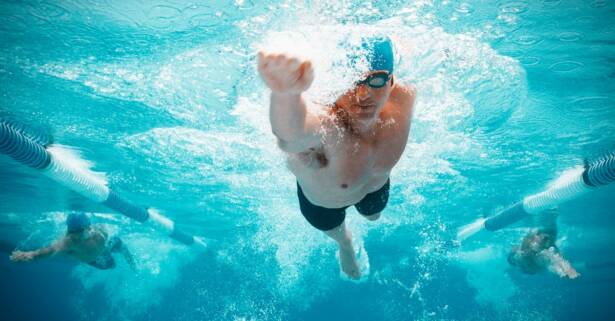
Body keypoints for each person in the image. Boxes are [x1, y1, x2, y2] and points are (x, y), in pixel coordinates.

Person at [258, 36, 416, 279]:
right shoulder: (327, 122)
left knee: (373, 216)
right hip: (323, 205)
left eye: (375, 80)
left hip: (376, 186)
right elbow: (290, 136)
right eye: (351, 80)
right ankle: (346, 245)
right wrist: (286, 94)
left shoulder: (405, 98)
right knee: (339, 233)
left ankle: (365, 216)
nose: (363, 94)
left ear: (392, 81)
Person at [10, 213, 136, 270]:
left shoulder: (100, 230)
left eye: (79, 233)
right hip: (94, 259)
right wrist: (31, 255)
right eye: (72, 233)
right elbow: (51, 250)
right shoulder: (69, 242)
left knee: (123, 249)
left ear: (88, 228)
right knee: (112, 266)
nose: (76, 237)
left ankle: (134, 266)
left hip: (105, 249)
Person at [507, 209, 579, 279]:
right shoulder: (543, 251)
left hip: (542, 231)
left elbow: (529, 238)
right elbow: (554, 258)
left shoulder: (527, 250)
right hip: (545, 232)